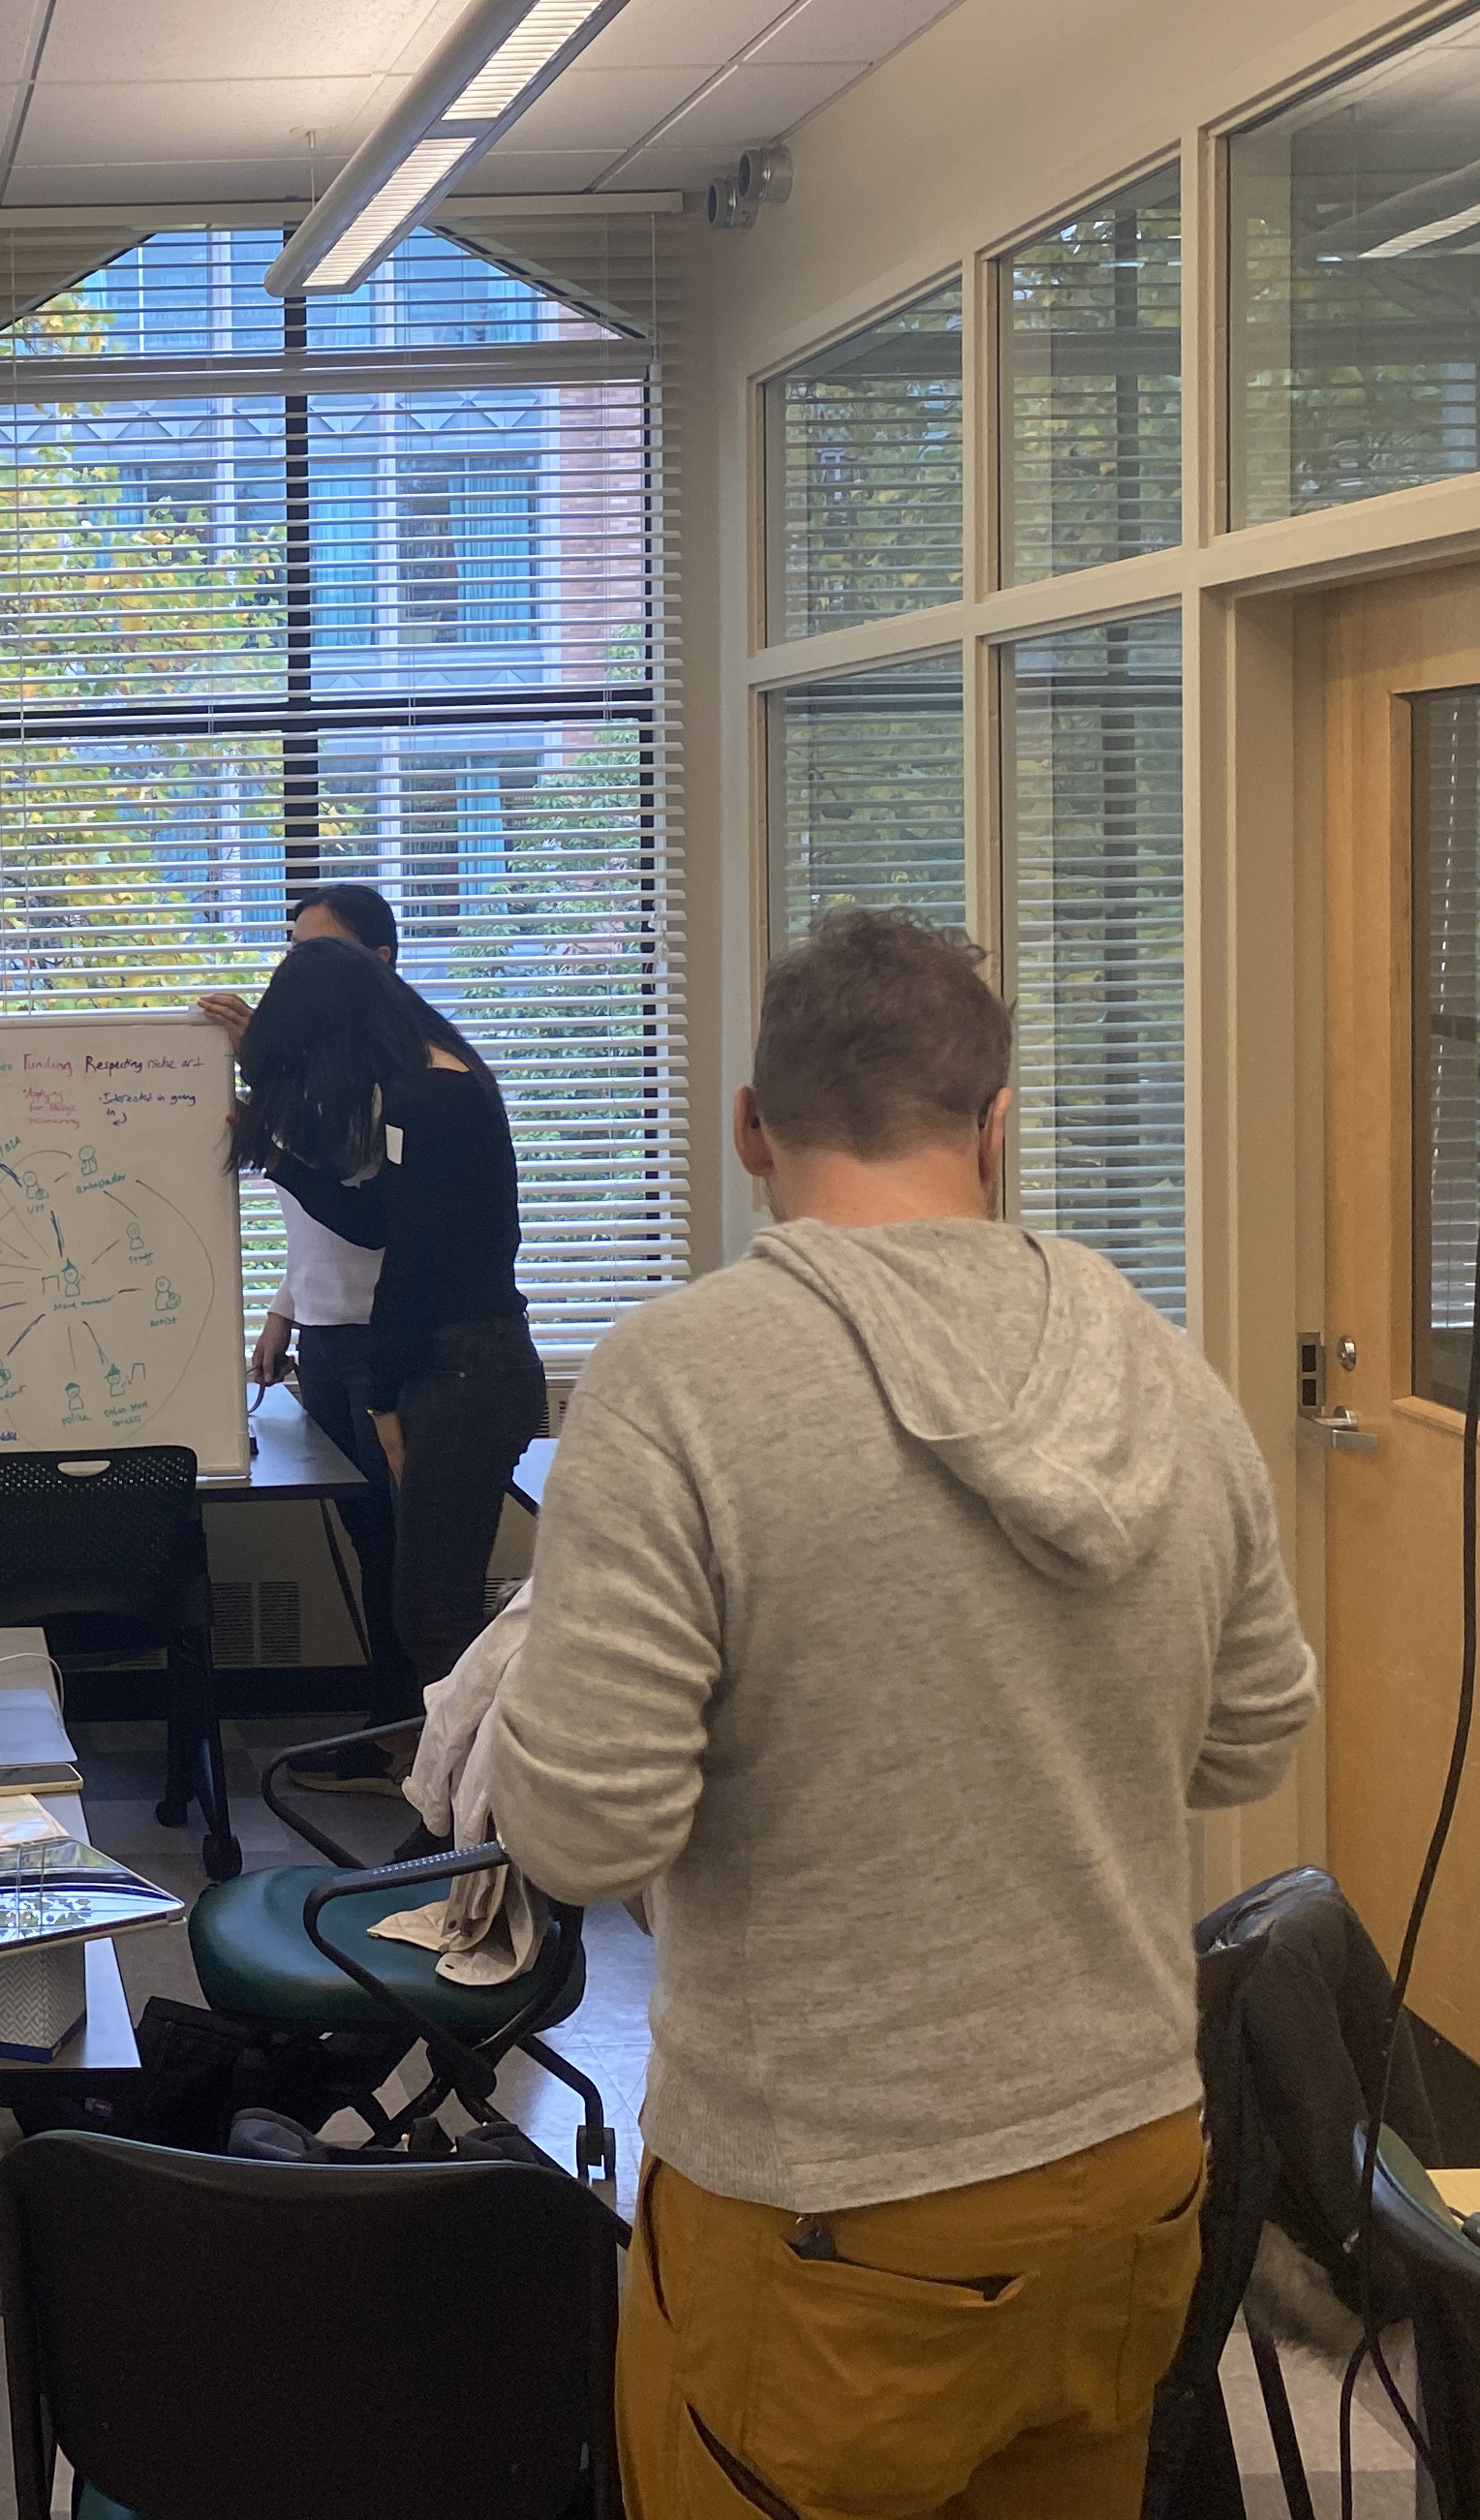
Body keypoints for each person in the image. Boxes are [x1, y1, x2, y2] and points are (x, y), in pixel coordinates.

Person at [483, 908, 1317, 2519]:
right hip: (1133, 2171)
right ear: (998, 1127)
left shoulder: (675, 1380)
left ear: (748, 1129)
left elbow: (586, 1833)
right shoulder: (1165, 1372)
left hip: (826, 2212)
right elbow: (1251, 1731)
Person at [231, 938, 543, 1744]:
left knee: (435, 1615)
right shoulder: (426, 1084)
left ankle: (470, 1832)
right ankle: (452, 1818)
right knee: (427, 1608)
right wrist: (275, 1156)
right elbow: (378, 1221)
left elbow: (413, 1266)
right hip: (458, 1363)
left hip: (466, 1369)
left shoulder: (434, 1097)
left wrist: (381, 1400)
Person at [200, 882, 403, 1720]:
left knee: (401, 1553)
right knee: (367, 1540)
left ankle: (405, 1742)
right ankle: (391, 1733)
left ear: (379, 963)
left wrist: (268, 1064)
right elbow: (319, 1206)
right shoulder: (322, 1070)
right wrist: (283, 1310)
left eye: (319, 952)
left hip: (380, 1343)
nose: (297, 969)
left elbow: (360, 1202)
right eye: (292, 950)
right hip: (323, 1334)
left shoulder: (392, 1072)